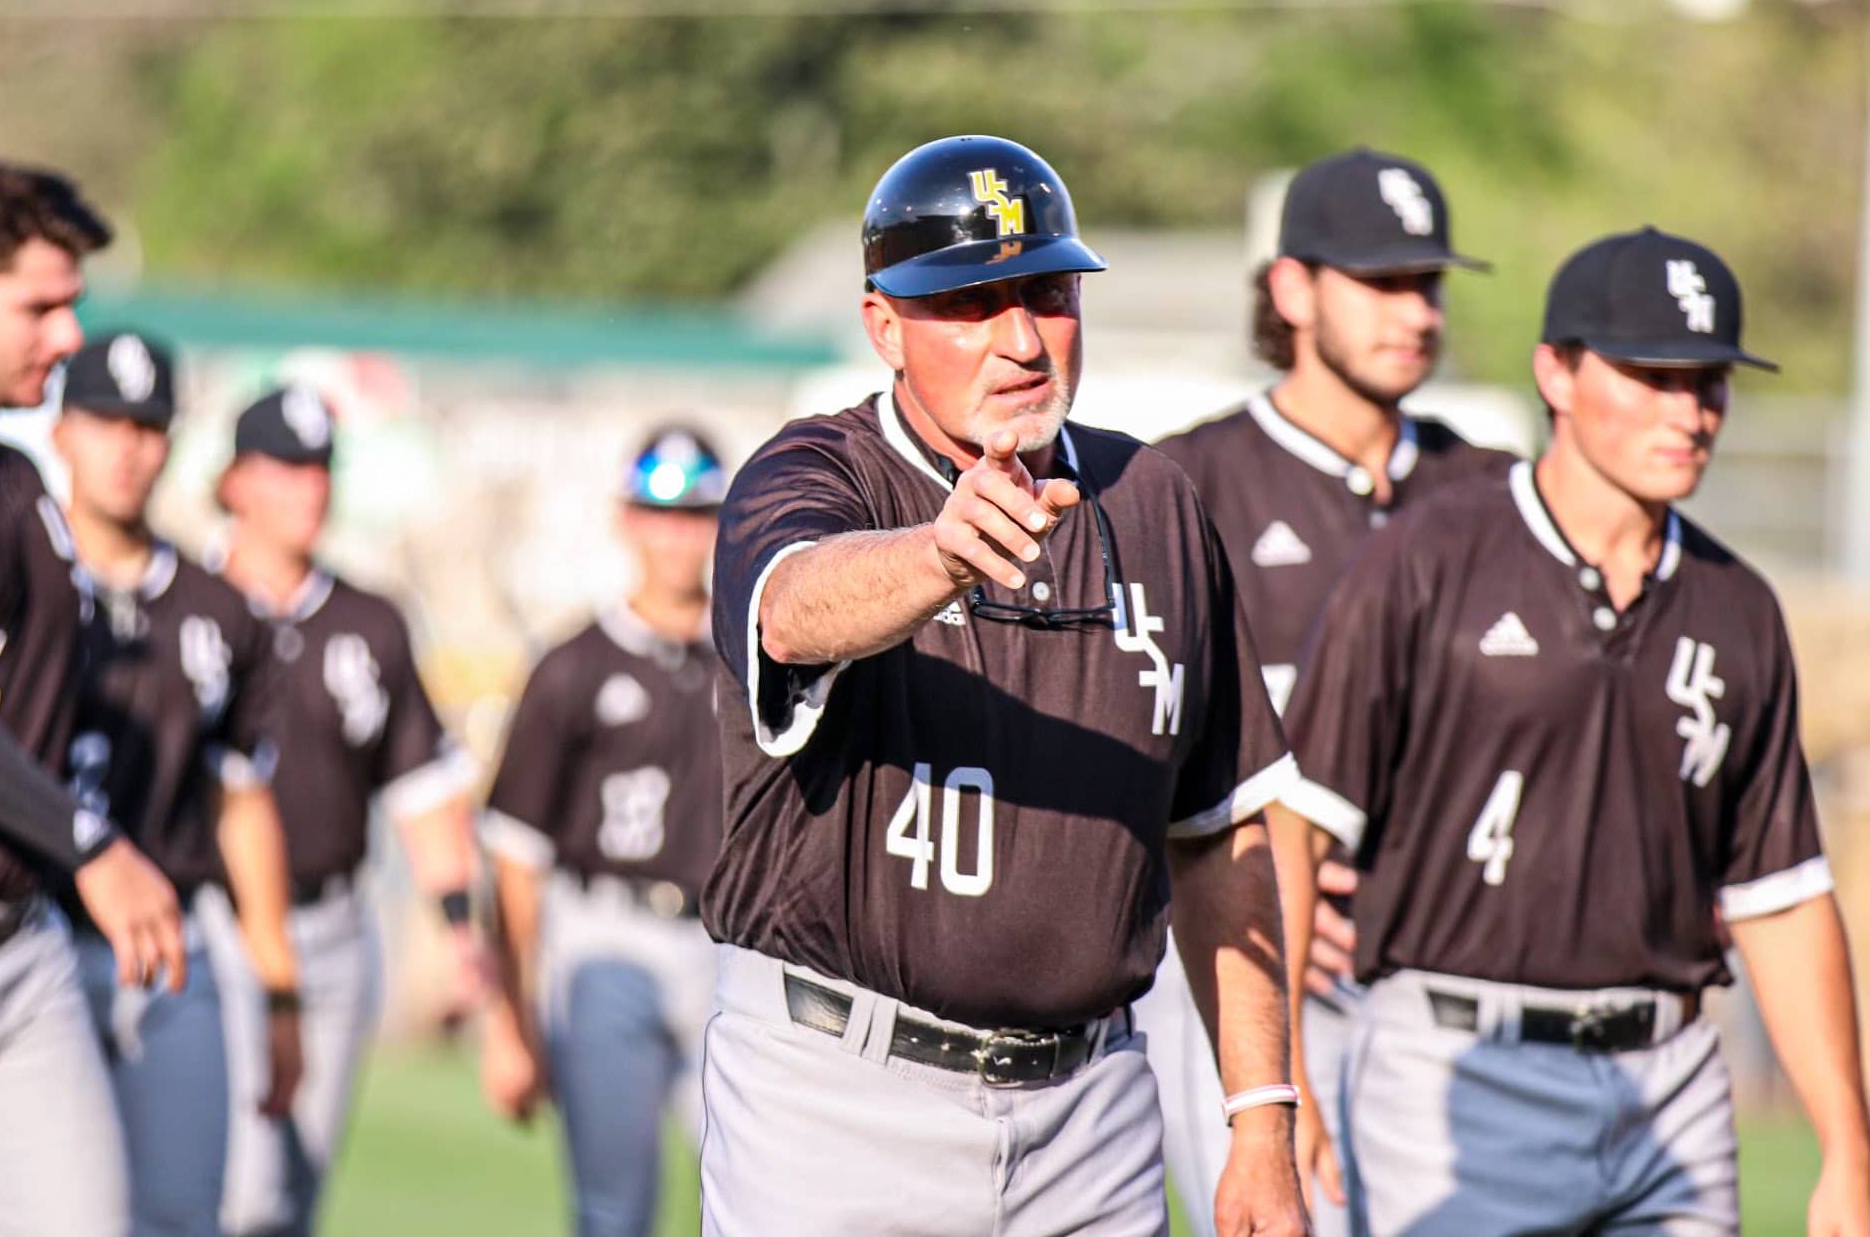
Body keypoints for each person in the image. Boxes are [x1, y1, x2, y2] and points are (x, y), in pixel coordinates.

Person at [699, 134, 1307, 1236]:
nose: (1022, 339)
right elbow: (790, 608)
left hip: (1092, 1109)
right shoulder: (815, 471)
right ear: (884, 323)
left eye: (1048, 293)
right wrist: (935, 555)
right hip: (840, 1092)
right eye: (972, 302)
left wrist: (1260, 1117)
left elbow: (1219, 830)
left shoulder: (1156, 500)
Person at [1278, 227, 1870, 1234]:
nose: (1688, 411)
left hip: (1674, 1082)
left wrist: (1848, 1150)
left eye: (1709, 381)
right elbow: (1293, 827)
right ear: (1556, 369)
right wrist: (1279, 1081)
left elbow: (1779, 892)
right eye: (1650, 374)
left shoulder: (1739, 605)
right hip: (1454, 1073)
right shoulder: (1428, 559)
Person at [1149, 148, 1510, 1233]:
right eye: (1383, 281)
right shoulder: (1188, 484)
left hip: (1437, 971)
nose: (1416, 310)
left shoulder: (1491, 490)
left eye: (1429, 283)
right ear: (1294, 289)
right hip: (1236, 953)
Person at [0, 157, 187, 1237]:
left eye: (74, 307)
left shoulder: (18, 479)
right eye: (41, 306)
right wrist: (89, 842)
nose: (67, 337)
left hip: (17, 960)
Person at [199, 385, 485, 1237]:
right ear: (236, 481)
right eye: (286, 467)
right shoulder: (186, 603)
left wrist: (461, 931)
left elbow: (420, 787)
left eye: (320, 467)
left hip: (333, 927)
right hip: (213, 927)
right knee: (229, 1194)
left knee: (291, 1199)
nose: (308, 488)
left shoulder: (369, 621)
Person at [52, 330, 305, 1234]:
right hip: (33, 936)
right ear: (62, 431)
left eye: (148, 425)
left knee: (178, 1215)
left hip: (170, 948)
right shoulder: (15, 574)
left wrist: (278, 990)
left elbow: (241, 800)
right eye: (104, 420)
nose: (127, 446)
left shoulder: (218, 609)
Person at [478, 425, 727, 1237]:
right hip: (603, 940)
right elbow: (515, 854)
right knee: (612, 1211)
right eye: (661, 513)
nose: (677, 535)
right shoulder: (574, 665)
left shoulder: (756, 655)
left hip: (729, 954)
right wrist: (510, 1018)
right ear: (626, 519)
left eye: (696, 514)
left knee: (755, 1202)